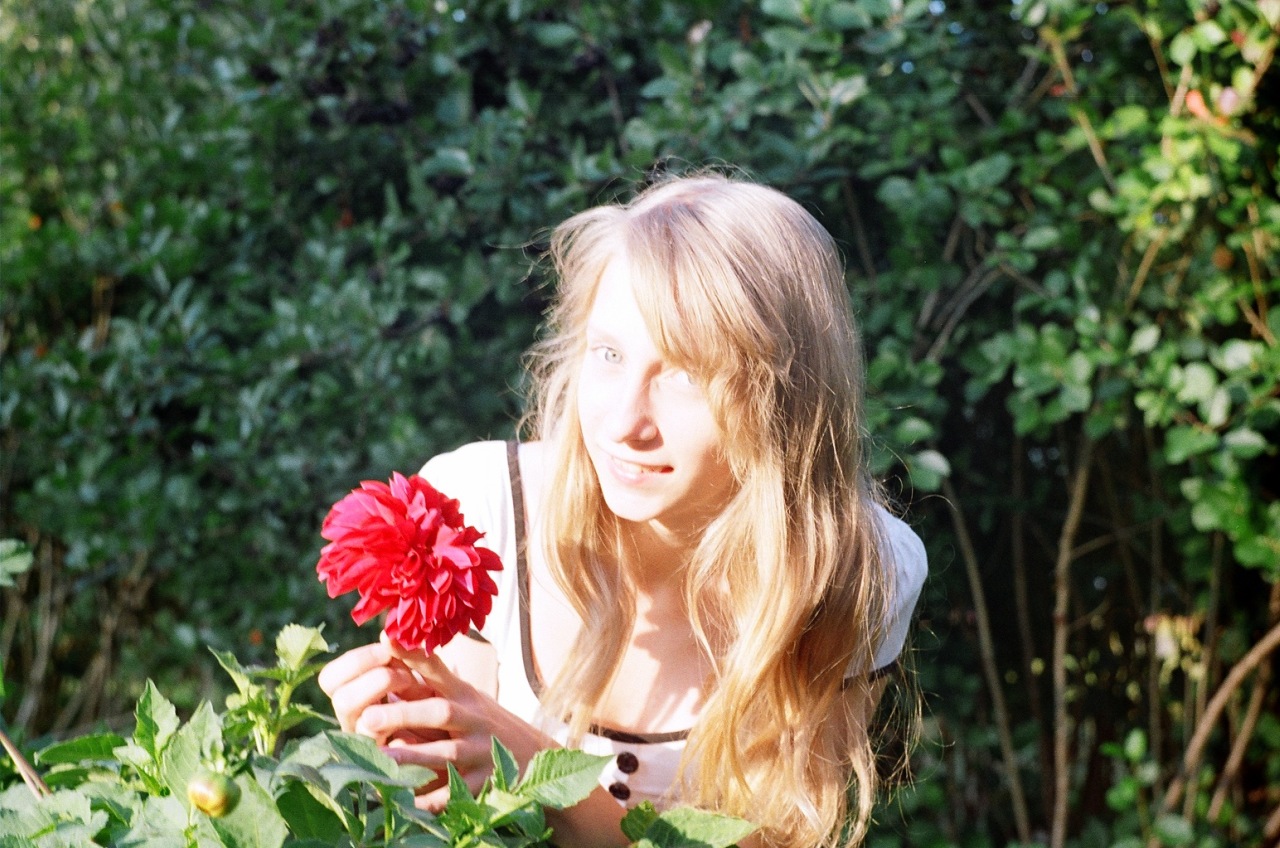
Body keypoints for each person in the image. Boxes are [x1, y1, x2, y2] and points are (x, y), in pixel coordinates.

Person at [318, 172, 928, 848]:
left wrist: (536, 773)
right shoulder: (480, 511)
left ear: (786, 403)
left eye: (686, 375)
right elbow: (454, 820)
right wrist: (399, 745)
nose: (623, 424)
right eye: (608, 354)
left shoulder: (859, 570)